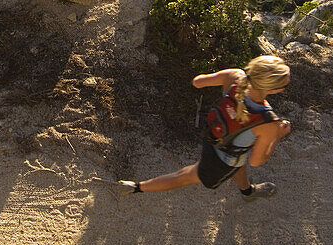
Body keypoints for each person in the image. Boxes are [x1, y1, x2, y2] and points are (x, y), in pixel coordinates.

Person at [98, 55, 292, 202]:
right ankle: (136, 187)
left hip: (213, 134)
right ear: (273, 89)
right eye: (282, 86)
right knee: (184, 176)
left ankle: (247, 191)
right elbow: (257, 161)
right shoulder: (268, 122)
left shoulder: (236, 76)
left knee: (237, 161)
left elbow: (198, 82)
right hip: (224, 158)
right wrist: (278, 136)